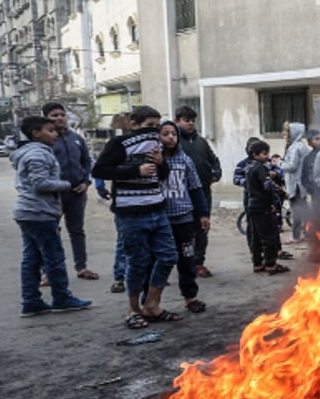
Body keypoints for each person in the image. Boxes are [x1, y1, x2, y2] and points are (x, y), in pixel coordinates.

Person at [91, 105, 181, 329]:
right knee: (137, 262)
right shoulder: (119, 144)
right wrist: (134, 171)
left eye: (156, 126)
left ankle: (152, 304)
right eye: (148, 126)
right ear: (134, 125)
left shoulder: (157, 145)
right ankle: (133, 309)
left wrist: (161, 164)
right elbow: (99, 170)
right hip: (130, 213)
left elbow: (161, 176)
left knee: (169, 255)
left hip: (157, 209)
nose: (153, 131)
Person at [10, 115, 93, 316]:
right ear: (36, 134)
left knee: (31, 258)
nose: (55, 133)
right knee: (53, 258)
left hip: (29, 212)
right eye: (50, 130)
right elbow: (40, 184)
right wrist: (65, 185)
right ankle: (61, 298)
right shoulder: (38, 154)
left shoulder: (32, 152)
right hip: (39, 213)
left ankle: (31, 301)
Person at [42, 101, 98, 281]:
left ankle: (81, 268)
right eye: (54, 115)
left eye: (62, 114)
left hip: (76, 193)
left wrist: (86, 182)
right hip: (53, 195)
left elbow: (87, 162)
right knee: (51, 231)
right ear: (46, 119)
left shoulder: (76, 138)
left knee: (77, 231)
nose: (59, 118)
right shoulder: (46, 141)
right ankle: (48, 272)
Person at [159, 120, 211, 312]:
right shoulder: (152, 160)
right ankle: (150, 302)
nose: (170, 137)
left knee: (187, 259)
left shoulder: (185, 160)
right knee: (159, 259)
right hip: (160, 219)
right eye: (165, 134)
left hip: (183, 217)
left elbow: (196, 188)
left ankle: (190, 297)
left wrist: (203, 214)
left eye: (173, 134)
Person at [174, 105, 222, 278]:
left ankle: (199, 263)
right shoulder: (174, 142)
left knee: (202, 228)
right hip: (182, 195)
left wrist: (215, 174)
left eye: (193, 120)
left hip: (203, 192)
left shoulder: (201, 142)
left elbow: (214, 160)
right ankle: (182, 263)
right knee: (182, 230)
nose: (191, 124)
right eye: (186, 120)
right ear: (177, 121)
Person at [245, 140, 290, 275]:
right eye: (264, 154)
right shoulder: (260, 168)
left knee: (256, 237)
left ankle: (257, 263)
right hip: (262, 206)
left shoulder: (249, 167)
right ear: (255, 155)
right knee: (269, 236)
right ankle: (271, 264)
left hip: (252, 205)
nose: (267, 156)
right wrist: (281, 192)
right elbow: (267, 184)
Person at [278, 121, 311, 244]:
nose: (284, 134)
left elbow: (292, 166)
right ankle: (306, 234)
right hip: (299, 183)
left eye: (286, 132)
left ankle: (297, 236)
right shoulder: (299, 146)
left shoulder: (295, 148)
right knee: (303, 210)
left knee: (297, 211)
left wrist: (279, 164)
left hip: (296, 184)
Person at [94, 177, 127, 293]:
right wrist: (100, 187)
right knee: (124, 241)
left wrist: (100, 187)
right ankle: (120, 278)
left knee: (124, 241)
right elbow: (100, 168)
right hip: (124, 203)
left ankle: (120, 278)